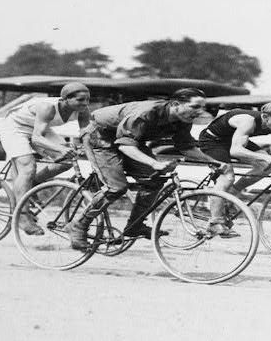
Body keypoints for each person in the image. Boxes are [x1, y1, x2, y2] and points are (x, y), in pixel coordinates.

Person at [66, 88, 228, 249]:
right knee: (116, 187)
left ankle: (134, 226)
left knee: (154, 180)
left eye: (202, 108)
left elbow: (186, 147)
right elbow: (125, 147)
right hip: (101, 138)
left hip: (129, 142)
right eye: (195, 107)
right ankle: (79, 226)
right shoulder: (147, 113)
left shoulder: (182, 120)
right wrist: (155, 163)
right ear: (176, 104)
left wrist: (213, 161)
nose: (200, 112)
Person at [197, 102, 271, 233]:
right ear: (266, 117)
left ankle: (232, 194)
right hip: (213, 140)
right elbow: (236, 150)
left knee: (265, 167)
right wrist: (266, 157)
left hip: (234, 139)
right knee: (227, 177)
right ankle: (214, 222)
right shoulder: (248, 121)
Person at [0, 82, 92, 235]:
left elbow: (87, 135)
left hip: (38, 128)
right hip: (15, 128)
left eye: (88, 100)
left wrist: (88, 149)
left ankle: (31, 186)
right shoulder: (47, 107)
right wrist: (61, 148)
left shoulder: (83, 111)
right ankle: (21, 216)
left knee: (66, 161)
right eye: (81, 100)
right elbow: (36, 138)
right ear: (65, 99)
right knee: (28, 168)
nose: (85, 103)